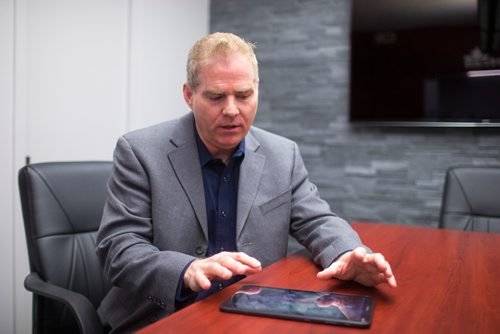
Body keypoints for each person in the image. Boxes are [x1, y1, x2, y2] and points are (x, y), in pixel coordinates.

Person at [96, 32, 396, 333]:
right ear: (189, 95)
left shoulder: (283, 154)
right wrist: (187, 270)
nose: (231, 110)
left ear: (257, 90)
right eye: (216, 97)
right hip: (165, 315)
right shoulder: (140, 151)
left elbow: (317, 221)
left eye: (243, 95)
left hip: (253, 315)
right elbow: (119, 249)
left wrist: (348, 254)